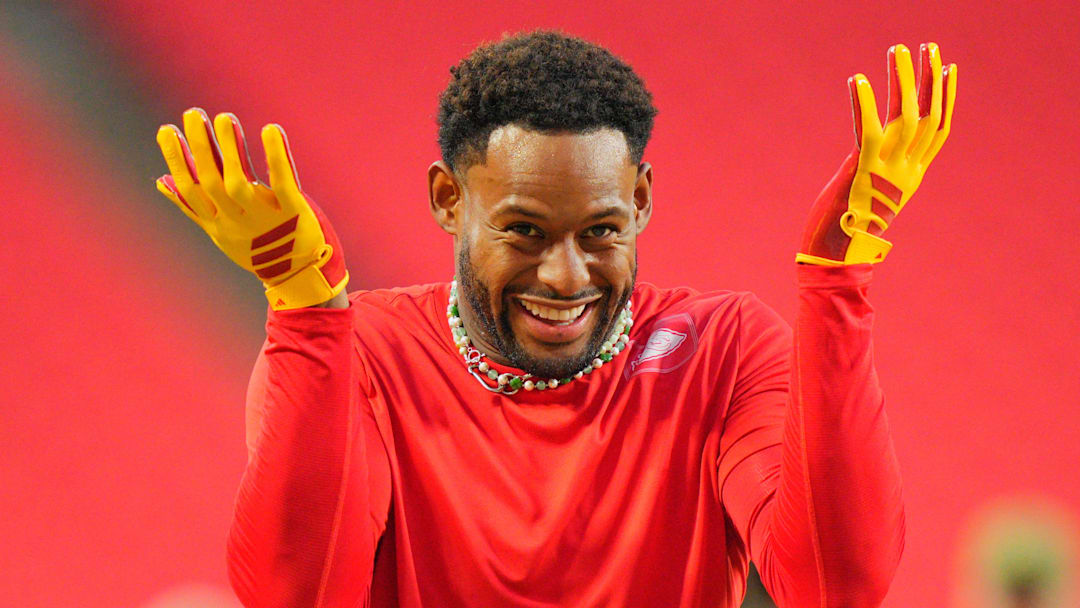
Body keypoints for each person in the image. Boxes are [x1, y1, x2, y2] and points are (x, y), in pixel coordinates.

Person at [154, 31, 957, 608]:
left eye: (601, 230)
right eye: (523, 231)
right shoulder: (358, 353)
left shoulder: (726, 349)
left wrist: (836, 288)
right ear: (447, 199)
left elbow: (835, 589)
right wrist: (306, 309)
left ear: (641, 199)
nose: (566, 275)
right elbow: (298, 596)